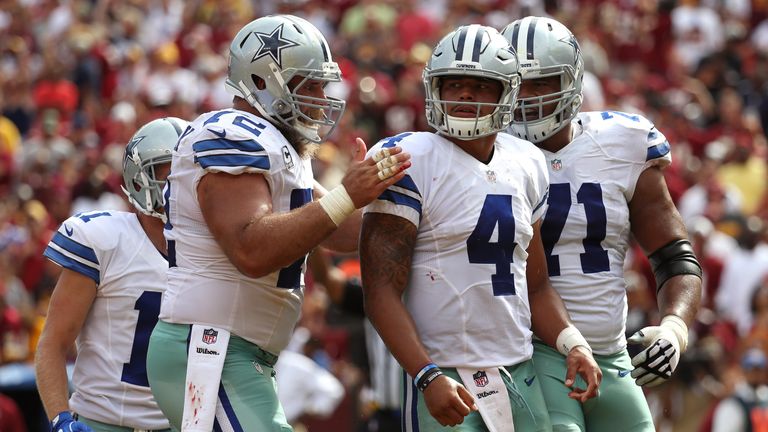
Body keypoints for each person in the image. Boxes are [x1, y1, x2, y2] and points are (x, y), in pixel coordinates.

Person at [145, 14, 411, 431]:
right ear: (263, 81)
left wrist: (408, 207)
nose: (323, 98)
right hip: (209, 349)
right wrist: (348, 194)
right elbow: (252, 249)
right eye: (311, 84)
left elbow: (338, 228)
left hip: (236, 352)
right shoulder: (231, 133)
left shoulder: (279, 145)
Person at [360, 24, 602, 431]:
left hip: (517, 368)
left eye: (480, 85)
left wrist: (572, 342)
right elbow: (380, 290)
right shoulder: (409, 158)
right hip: (443, 371)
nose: (465, 95)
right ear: (434, 89)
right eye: (453, 84)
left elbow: (536, 285)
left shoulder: (526, 162)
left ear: (507, 93)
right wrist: (426, 374)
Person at [500, 16, 703, 432]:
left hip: (610, 353)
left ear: (573, 82)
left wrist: (674, 328)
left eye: (544, 82)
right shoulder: (489, 154)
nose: (529, 97)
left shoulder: (623, 142)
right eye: (519, 83)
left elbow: (674, 256)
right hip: (529, 349)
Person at [34, 117, 188, 432]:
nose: (185, 181)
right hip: (101, 423)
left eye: (192, 170)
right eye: (171, 171)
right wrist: (60, 419)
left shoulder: (215, 250)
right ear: (140, 177)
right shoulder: (104, 239)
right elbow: (53, 341)